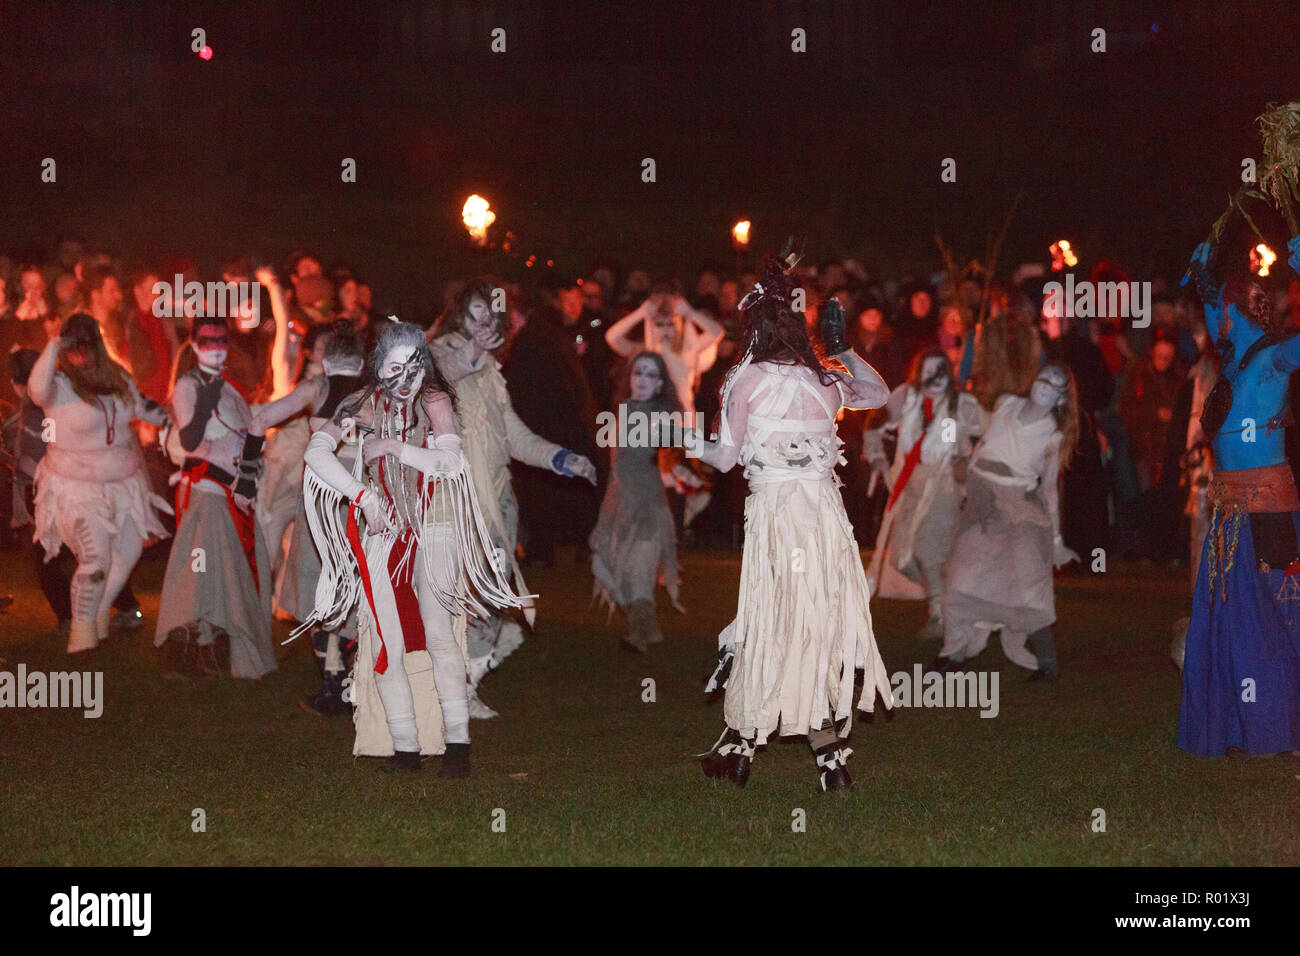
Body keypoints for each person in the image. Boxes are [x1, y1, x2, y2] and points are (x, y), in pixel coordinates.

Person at [694, 257, 893, 792]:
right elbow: (878, 395)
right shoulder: (823, 376)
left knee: (778, 622)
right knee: (799, 623)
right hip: (826, 519)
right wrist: (844, 349)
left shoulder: (747, 378)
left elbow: (722, 460)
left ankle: (783, 752)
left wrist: (681, 438)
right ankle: (776, 752)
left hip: (780, 518)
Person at [298, 319, 529, 775]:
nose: (405, 378)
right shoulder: (361, 402)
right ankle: (405, 748)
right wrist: (361, 496)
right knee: (390, 641)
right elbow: (316, 452)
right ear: (377, 366)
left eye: (414, 366)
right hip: (385, 532)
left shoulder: (435, 399)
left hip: (436, 525)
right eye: (394, 366)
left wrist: (392, 447)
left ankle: (458, 746)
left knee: (440, 636)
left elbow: (449, 460)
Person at [428, 279, 596, 717]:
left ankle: (464, 688)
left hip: (499, 502)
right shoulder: (435, 352)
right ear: (458, 314)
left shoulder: (491, 369)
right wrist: (474, 351)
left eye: (490, 316)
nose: (483, 323)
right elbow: (443, 374)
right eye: (474, 314)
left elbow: (513, 435)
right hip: (452, 499)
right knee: (450, 599)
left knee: (490, 601)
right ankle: (440, 689)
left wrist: (560, 458)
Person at [1177, 236, 1300, 757]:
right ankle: (1242, 727)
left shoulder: (1273, 357)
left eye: (1221, 306)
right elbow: (1210, 313)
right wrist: (1206, 274)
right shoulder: (1229, 358)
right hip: (1229, 515)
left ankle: (1283, 729)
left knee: (1274, 621)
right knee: (1230, 621)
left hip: (1268, 513)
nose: (1214, 316)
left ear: (1237, 309)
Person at [28, 315, 172, 653]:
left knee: (127, 553)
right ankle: (81, 636)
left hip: (124, 485)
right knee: (96, 559)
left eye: (87, 344)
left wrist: (176, 421)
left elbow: (142, 407)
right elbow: (36, 391)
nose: (81, 354)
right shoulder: (58, 384)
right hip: (76, 488)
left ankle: (97, 619)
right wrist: (53, 344)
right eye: (73, 347)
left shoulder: (117, 377)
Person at [932, 363, 1080, 679]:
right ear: (1032, 381)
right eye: (1043, 380)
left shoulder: (1052, 435)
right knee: (960, 582)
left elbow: (1050, 488)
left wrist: (1056, 543)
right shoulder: (1007, 403)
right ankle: (953, 655)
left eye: (1055, 387)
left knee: (1029, 588)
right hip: (982, 503)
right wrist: (963, 470)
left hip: (1019, 509)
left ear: (1061, 399)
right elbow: (981, 436)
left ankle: (1047, 662)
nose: (1046, 388)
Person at [251, 319, 366, 715]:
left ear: (328, 362)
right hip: (365, 502)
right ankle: (351, 682)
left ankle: (334, 686)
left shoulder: (318, 387)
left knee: (320, 589)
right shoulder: (380, 392)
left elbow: (260, 419)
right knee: (357, 588)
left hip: (325, 502)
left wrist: (249, 460)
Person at [155, 316, 275, 679]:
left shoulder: (230, 386)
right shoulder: (189, 385)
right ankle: (195, 652)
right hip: (206, 494)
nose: (216, 345)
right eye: (207, 339)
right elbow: (190, 441)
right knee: (200, 572)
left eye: (221, 338)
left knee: (224, 575)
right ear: (194, 345)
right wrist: (205, 403)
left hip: (233, 495)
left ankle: (216, 648)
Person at [865, 348, 986, 638]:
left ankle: (940, 614)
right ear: (917, 373)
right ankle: (953, 598)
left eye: (940, 370)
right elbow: (874, 423)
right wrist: (876, 456)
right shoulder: (906, 397)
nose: (934, 378)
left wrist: (968, 461)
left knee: (928, 548)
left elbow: (993, 431)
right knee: (901, 558)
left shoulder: (961, 404)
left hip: (943, 485)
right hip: (908, 485)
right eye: (928, 371)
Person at [590, 351, 692, 653]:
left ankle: (638, 634)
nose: (643, 379)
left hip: (649, 505)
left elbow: (678, 442)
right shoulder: (623, 411)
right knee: (609, 563)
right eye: (638, 373)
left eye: (650, 374)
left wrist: (682, 459)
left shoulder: (662, 415)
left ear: (660, 383)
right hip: (620, 503)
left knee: (640, 567)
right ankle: (651, 628)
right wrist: (606, 514)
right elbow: (616, 465)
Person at [605, 286, 725, 415]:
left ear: (679, 325)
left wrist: (690, 313)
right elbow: (612, 337)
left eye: (671, 324)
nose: (666, 329)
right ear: (652, 325)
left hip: (680, 419)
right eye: (660, 324)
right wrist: (642, 312)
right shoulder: (645, 351)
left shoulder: (688, 349)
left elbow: (717, 333)